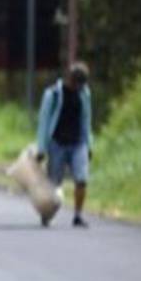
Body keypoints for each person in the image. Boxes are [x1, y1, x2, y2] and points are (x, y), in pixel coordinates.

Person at [37, 61, 95, 228]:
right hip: (57, 143)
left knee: (82, 179)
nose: (78, 86)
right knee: (54, 182)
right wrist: (41, 148)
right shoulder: (53, 94)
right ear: (69, 78)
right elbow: (44, 121)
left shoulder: (84, 93)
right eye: (76, 82)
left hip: (78, 143)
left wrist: (89, 144)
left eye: (81, 83)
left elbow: (86, 119)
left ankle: (77, 215)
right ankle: (46, 213)